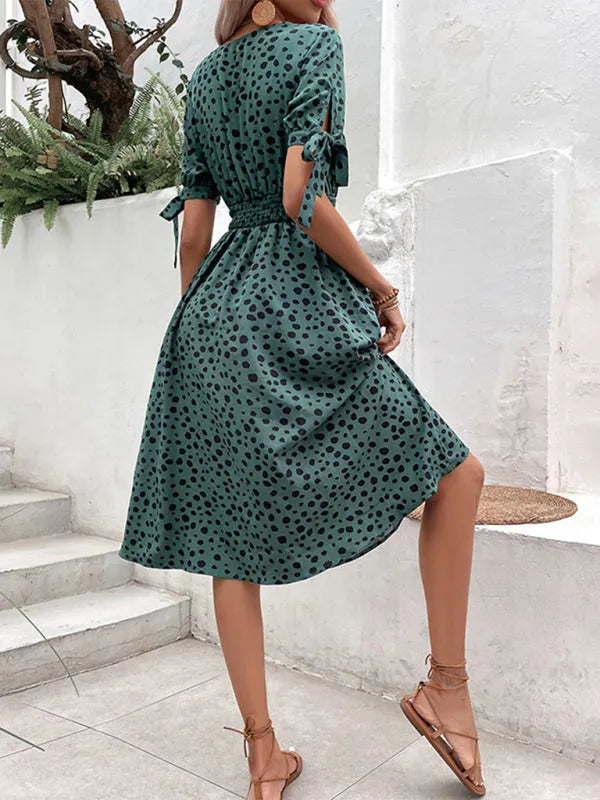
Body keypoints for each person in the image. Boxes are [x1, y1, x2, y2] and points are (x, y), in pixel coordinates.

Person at [118, 1, 486, 797]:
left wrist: (197, 332)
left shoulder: (206, 78)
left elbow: (194, 230)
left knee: (227, 542)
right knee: (457, 474)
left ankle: (263, 756)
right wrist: (381, 287)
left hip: (211, 313)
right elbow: (300, 198)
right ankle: (447, 690)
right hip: (295, 300)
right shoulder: (313, 48)